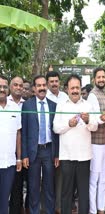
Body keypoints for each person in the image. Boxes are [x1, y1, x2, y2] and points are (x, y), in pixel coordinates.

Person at [53, 74, 98, 214]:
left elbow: (95, 127)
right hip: (66, 156)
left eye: (77, 87)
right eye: (72, 88)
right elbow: (55, 128)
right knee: (66, 192)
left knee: (83, 192)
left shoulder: (88, 105)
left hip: (84, 156)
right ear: (67, 89)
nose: (75, 90)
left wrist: (87, 120)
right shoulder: (61, 105)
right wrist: (68, 124)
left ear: (80, 88)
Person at [21, 75, 59, 214]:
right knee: (33, 186)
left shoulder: (53, 105)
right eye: (39, 85)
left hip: (49, 150)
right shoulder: (27, 105)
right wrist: (24, 154)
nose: (42, 88)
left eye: (44, 85)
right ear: (34, 88)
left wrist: (57, 154)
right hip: (33, 151)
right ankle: (34, 211)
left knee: (49, 186)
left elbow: (56, 133)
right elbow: (24, 131)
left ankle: (49, 211)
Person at [87, 68, 105, 214]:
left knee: (103, 179)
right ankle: (92, 210)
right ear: (94, 80)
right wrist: (103, 118)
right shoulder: (92, 95)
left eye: (103, 77)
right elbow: (95, 117)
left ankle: (101, 209)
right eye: (99, 77)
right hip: (95, 143)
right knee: (94, 180)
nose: (101, 79)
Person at [45, 71, 68, 214]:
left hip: (64, 142)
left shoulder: (65, 97)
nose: (54, 83)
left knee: (61, 177)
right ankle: (47, 206)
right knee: (47, 178)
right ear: (47, 83)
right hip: (49, 143)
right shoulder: (44, 97)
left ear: (59, 82)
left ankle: (59, 207)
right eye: (51, 81)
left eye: (56, 81)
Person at [0, 75, 22, 214]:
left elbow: (18, 133)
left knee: (4, 200)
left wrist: (19, 157)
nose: (2, 89)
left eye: (4, 87)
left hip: (9, 163)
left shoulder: (15, 107)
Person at [7, 76, 25, 214]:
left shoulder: (29, 104)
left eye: (21, 85)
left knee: (18, 188)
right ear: (10, 87)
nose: (18, 87)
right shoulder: (4, 103)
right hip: (7, 151)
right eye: (15, 85)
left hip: (24, 153)